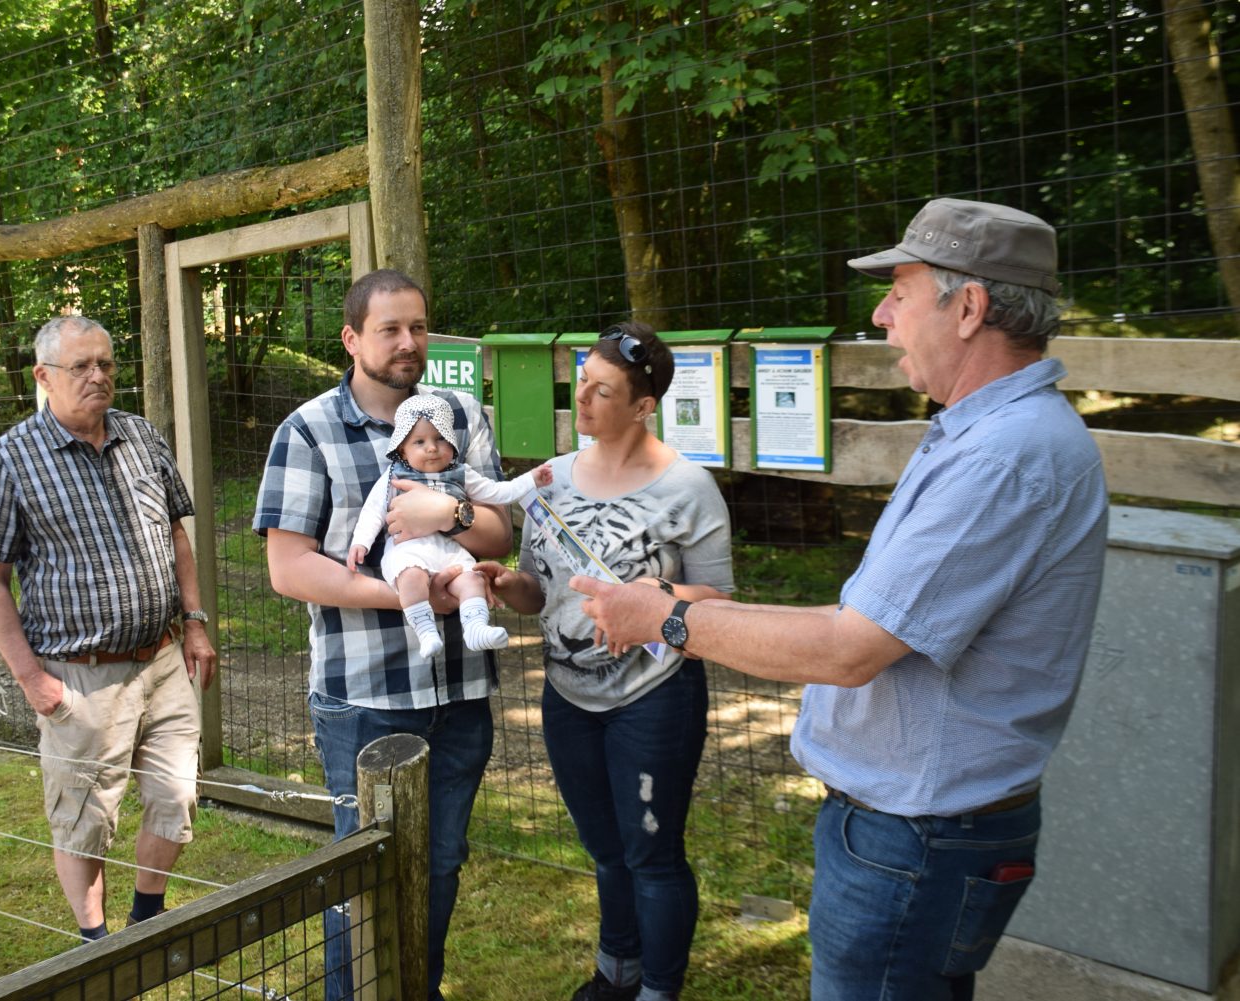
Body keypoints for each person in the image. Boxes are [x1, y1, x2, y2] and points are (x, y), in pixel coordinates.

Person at [572, 199, 1109, 1001]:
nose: (881, 314)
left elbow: (848, 650)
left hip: (917, 838)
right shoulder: (982, 435)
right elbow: (857, 620)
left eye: (900, 290)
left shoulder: (1003, 456)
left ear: (968, 308)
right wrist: (673, 605)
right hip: (915, 831)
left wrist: (667, 617)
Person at [253, 268, 512, 1001]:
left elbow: (500, 531)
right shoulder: (309, 429)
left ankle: (414, 989)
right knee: (363, 873)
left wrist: (449, 515)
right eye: (389, 329)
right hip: (364, 694)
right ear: (351, 338)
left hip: (459, 688)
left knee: (442, 862)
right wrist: (405, 596)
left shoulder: (462, 413)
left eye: (418, 327)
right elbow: (289, 568)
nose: (408, 342)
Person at [475, 322, 734, 1001]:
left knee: (652, 855)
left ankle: (659, 990)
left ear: (644, 406)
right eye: (581, 380)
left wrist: (659, 593)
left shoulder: (689, 487)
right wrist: (507, 584)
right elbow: (539, 593)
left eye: (603, 391)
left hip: (655, 696)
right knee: (606, 849)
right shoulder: (550, 479)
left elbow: (720, 600)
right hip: (568, 696)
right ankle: (615, 974)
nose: (582, 398)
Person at [0, 315, 217, 943]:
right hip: (80, 676)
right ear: (43, 376)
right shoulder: (10, 459)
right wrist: (30, 679)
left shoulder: (141, 437)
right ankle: (94, 943)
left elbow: (175, 535)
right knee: (85, 818)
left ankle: (145, 921)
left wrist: (194, 624)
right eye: (80, 366)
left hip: (163, 659)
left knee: (176, 796)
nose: (97, 376)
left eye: (105, 363)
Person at [348, 393, 551, 658]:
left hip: (450, 550)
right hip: (407, 549)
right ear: (402, 448)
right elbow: (373, 511)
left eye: (440, 438)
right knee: (410, 578)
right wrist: (361, 542)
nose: (432, 448)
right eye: (419, 442)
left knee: (472, 579)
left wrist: (531, 479)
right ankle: (425, 631)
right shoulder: (393, 476)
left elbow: (499, 493)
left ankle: (476, 629)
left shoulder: (461, 473)